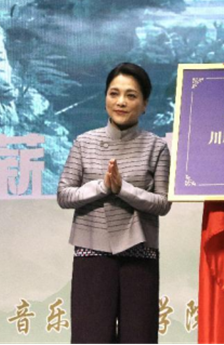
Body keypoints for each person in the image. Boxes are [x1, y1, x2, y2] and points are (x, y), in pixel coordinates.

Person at [57, 62, 171, 343]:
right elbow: (64, 194)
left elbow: (162, 203)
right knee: (90, 336)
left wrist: (123, 189)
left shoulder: (156, 146)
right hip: (92, 251)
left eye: (131, 95)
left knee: (139, 336)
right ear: (105, 97)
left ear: (144, 104)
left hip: (140, 253)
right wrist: (102, 186)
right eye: (114, 93)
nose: (121, 102)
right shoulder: (84, 142)